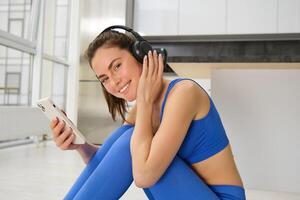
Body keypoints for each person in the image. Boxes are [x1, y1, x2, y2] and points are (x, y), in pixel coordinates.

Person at [50, 26, 246, 200]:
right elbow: (111, 167)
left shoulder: (184, 93)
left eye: (117, 66)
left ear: (140, 55)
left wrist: (144, 101)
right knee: (128, 139)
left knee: (131, 142)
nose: (114, 82)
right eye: (104, 79)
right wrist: (81, 146)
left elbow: (144, 176)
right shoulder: (140, 111)